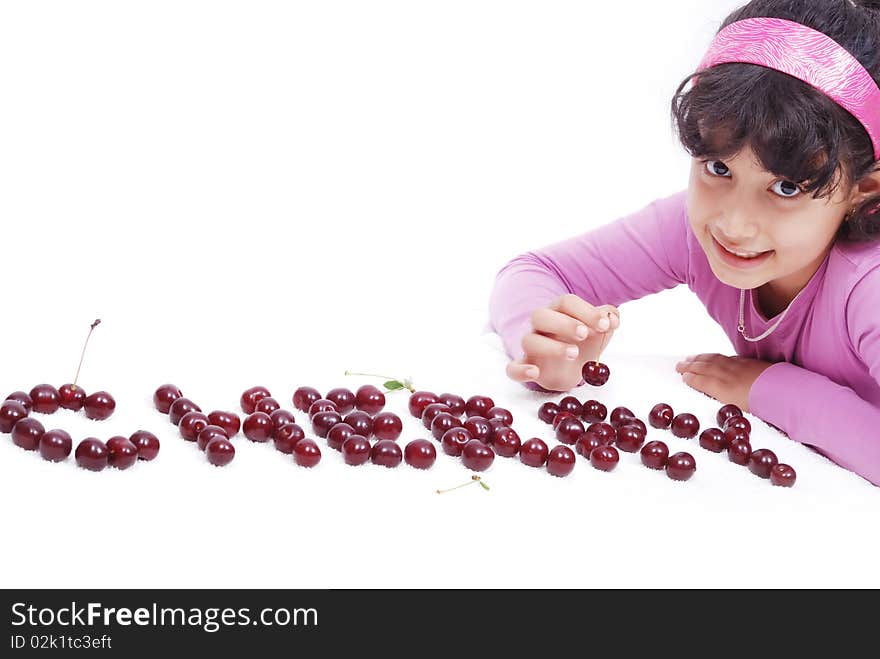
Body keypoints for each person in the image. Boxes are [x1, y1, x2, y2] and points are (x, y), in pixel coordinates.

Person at [488, 0, 880, 485]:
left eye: (786, 188)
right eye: (718, 168)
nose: (735, 225)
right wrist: (546, 341)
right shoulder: (693, 230)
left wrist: (773, 387)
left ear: (864, 190)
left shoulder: (870, 288)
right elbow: (534, 271)